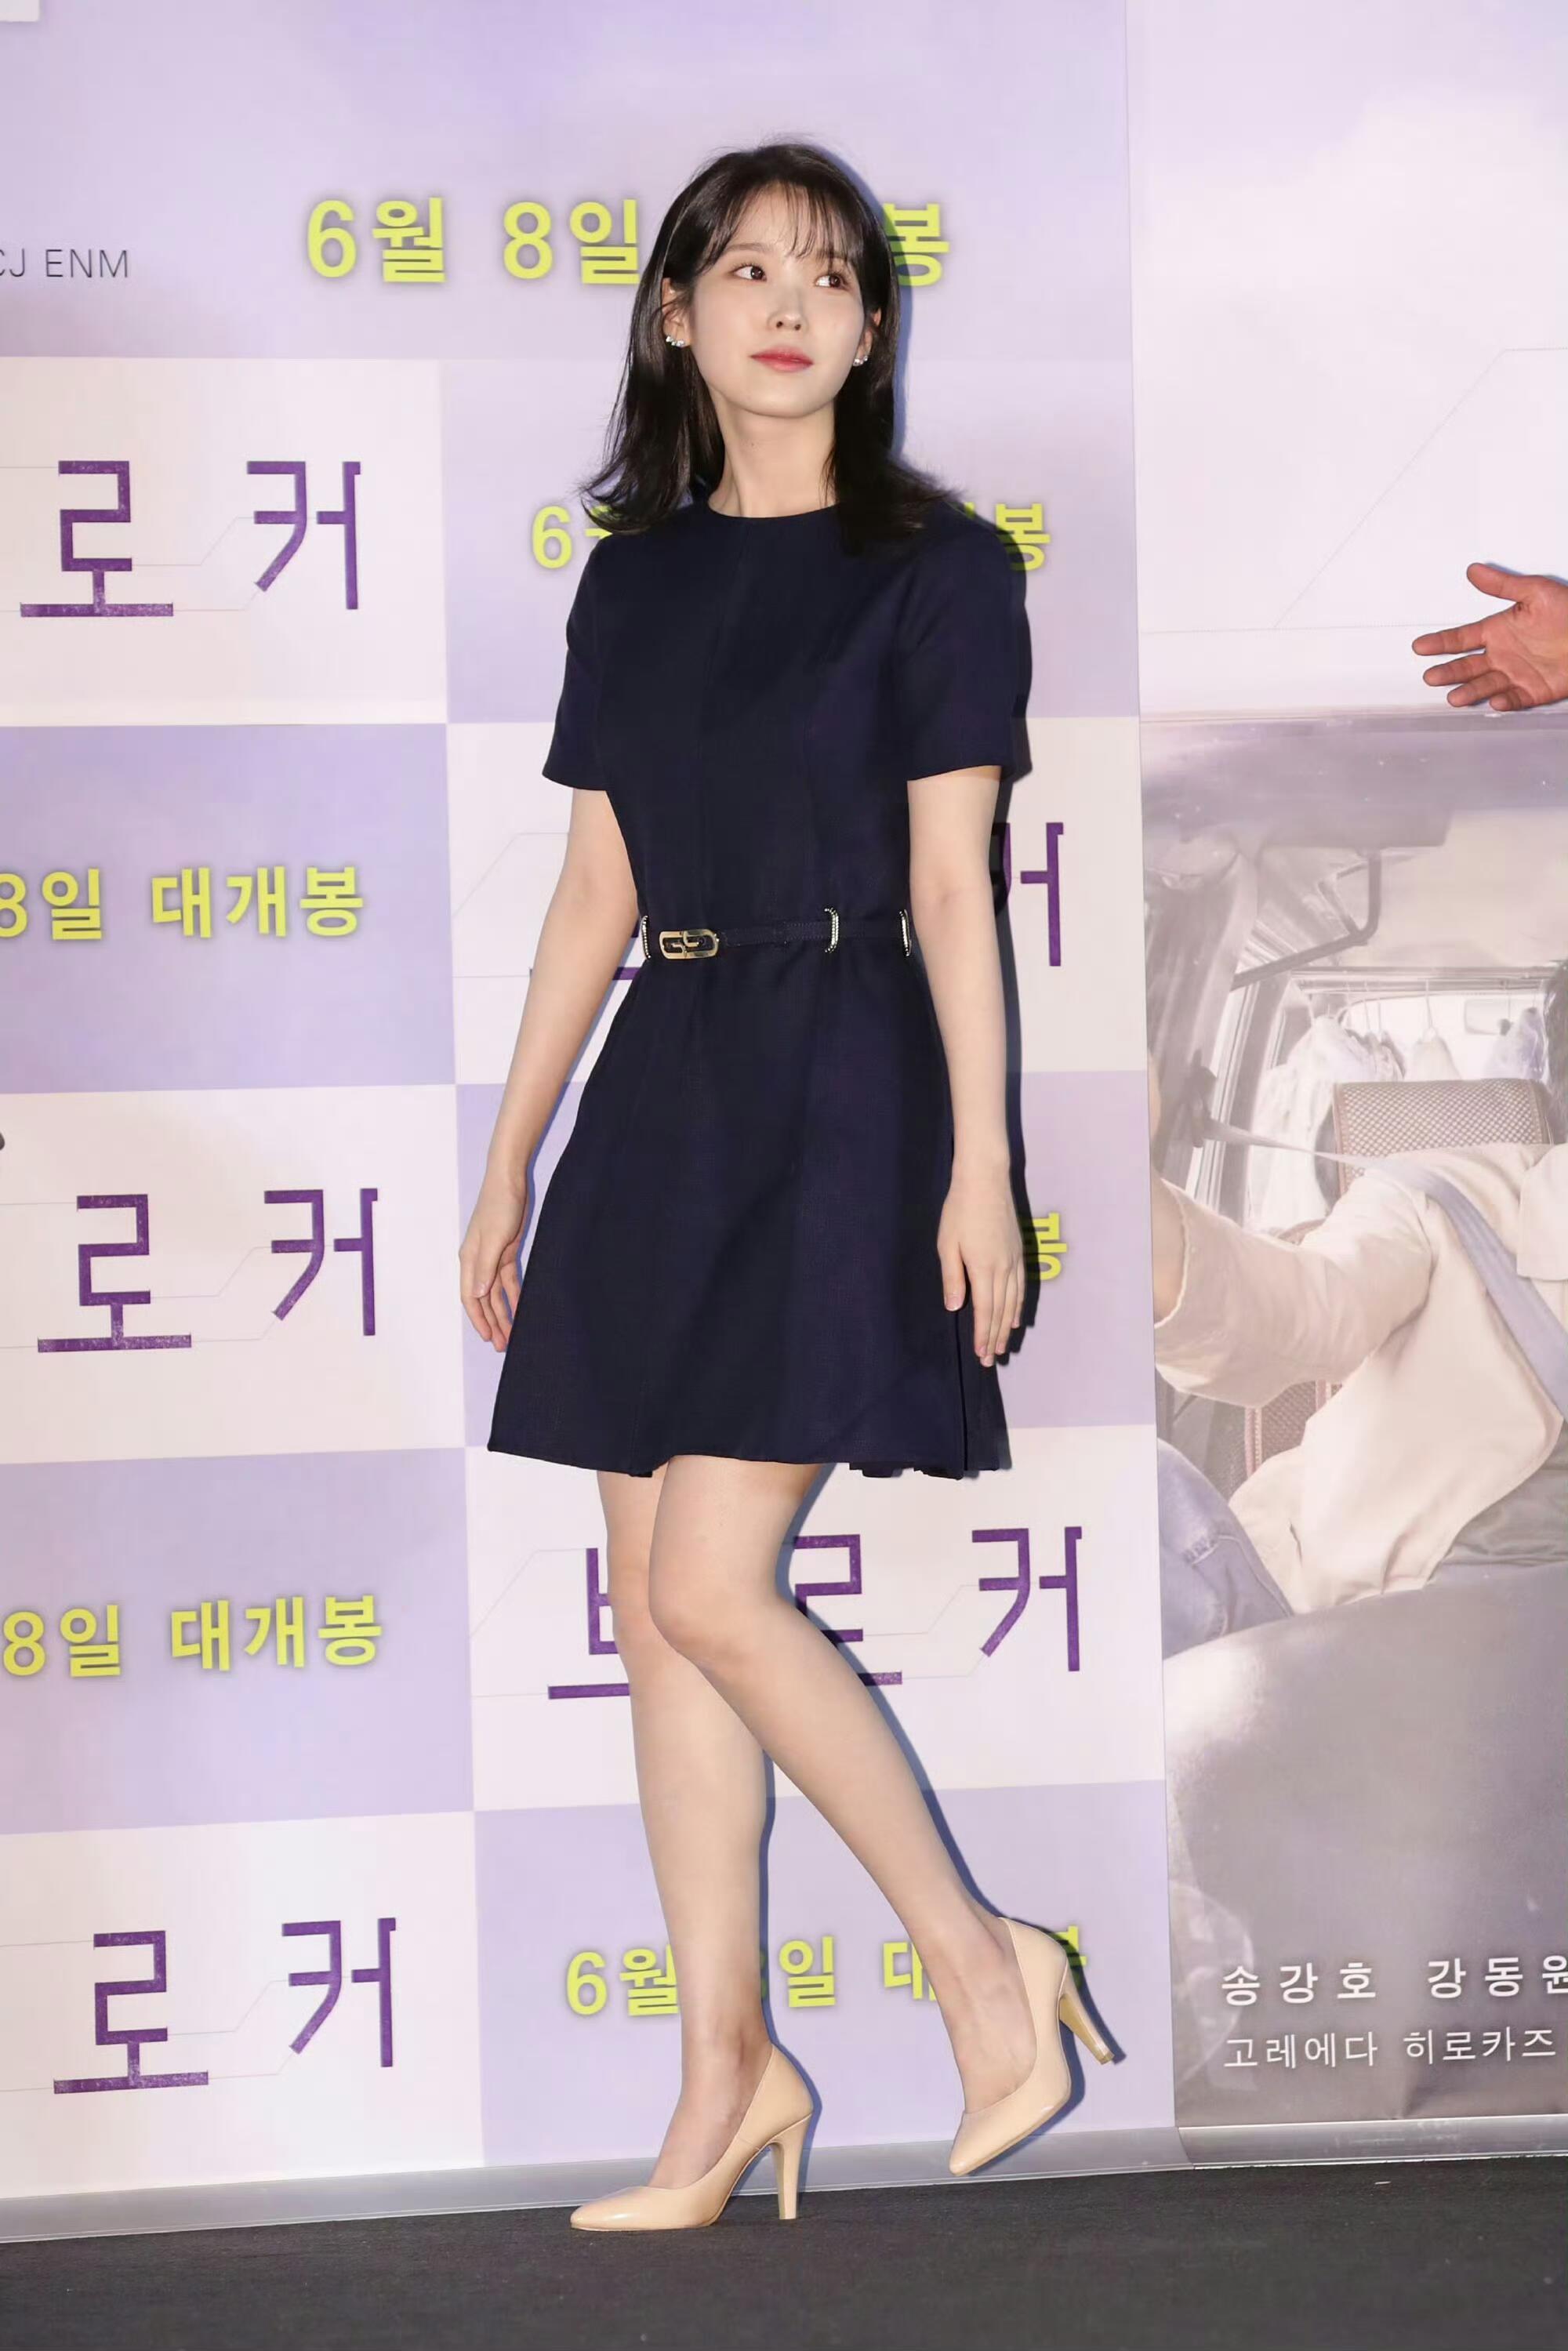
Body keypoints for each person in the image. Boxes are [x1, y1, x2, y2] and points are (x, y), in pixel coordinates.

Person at [457, 143, 1111, 2232]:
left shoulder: (940, 567)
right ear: (675, 314)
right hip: (666, 1080)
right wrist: (511, 1150)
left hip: (844, 1077)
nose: (788, 305)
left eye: (829, 276)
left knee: (712, 1586)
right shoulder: (631, 578)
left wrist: (983, 1164)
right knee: (659, 1619)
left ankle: (985, 1962)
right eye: (746, 270)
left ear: (873, 329)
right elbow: (595, 886)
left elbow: (955, 884)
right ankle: (724, 2076)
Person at [1146, 963, 1568, 1658]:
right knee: (1139, 1484)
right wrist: (1139, 1216)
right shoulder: (1444, 1196)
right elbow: (1312, 1307)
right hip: (1359, 1642)